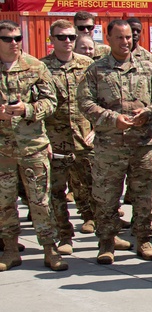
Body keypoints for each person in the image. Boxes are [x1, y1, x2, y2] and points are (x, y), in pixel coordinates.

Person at [79, 19, 152, 264]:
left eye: (129, 37)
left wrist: (149, 113)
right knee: (106, 197)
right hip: (110, 148)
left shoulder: (147, 67)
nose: (125, 42)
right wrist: (112, 119)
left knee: (145, 196)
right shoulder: (96, 70)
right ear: (108, 39)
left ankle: (143, 240)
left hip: (142, 146)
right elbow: (85, 103)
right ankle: (106, 243)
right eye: (119, 37)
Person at [0, 20, 67, 272]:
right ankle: (9, 249)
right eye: (7, 39)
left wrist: (26, 109)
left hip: (32, 147)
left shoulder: (35, 67)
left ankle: (49, 249)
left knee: (40, 201)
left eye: (18, 38)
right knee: (4, 202)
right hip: (2, 150)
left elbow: (51, 102)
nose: (14, 43)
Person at [40, 20, 97, 251]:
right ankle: (64, 236)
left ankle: (103, 232)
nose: (67, 41)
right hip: (56, 141)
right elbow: (39, 106)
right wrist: (43, 140)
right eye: (61, 37)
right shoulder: (41, 68)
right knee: (56, 191)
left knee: (96, 187)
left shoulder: (88, 65)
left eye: (71, 37)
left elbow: (98, 99)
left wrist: (96, 129)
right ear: (51, 39)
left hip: (85, 138)